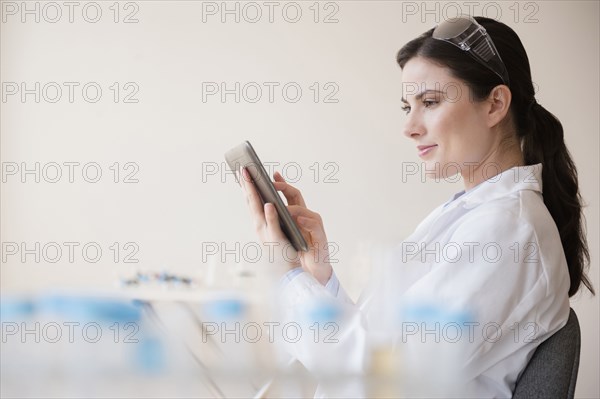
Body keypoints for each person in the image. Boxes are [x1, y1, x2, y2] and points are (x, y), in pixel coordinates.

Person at [238, 15, 594, 398]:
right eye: (406, 107)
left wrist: (288, 277)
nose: (410, 127)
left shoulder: (508, 231)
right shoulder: (479, 215)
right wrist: (318, 275)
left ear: (495, 104)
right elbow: (383, 344)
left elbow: (383, 378)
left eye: (430, 102)